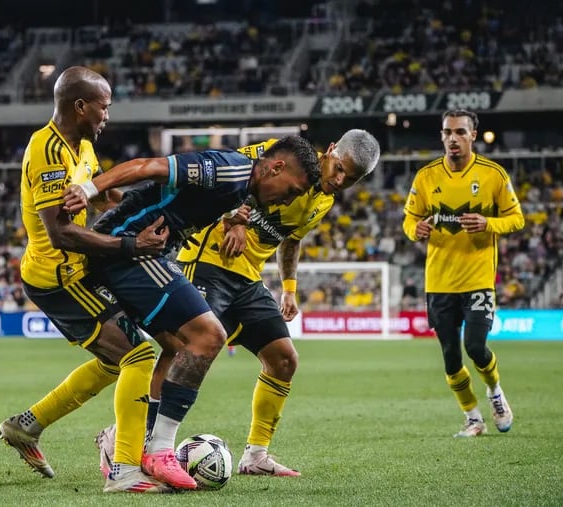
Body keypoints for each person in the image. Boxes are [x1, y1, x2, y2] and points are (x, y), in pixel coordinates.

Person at [94, 130, 381, 478]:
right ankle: (128, 438)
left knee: (284, 359)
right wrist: (236, 218)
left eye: (350, 179)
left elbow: (291, 240)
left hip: (248, 280)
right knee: (186, 348)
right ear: (331, 149)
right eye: (339, 169)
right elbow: (233, 176)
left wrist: (289, 287)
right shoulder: (280, 155)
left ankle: (256, 455)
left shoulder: (322, 201)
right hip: (207, 260)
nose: (339, 180)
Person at [64, 135, 321, 489]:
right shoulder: (228, 170)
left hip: (144, 253)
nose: (288, 200)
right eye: (291, 189)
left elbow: (164, 200)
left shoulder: (241, 191)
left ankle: (125, 441)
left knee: (173, 346)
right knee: (207, 336)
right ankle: (158, 450)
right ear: (275, 167)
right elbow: (148, 167)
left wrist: (235, 222)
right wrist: (89, 188)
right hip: (126, 254)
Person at [0, 66, 173, 494]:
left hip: (81, 269)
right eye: (104, 106)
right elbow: (61, 232)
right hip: (58, 276)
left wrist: (152, 200)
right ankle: (124, 470)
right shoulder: (46, 150)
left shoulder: (84, 147)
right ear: (80, 106)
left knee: (121, 360)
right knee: (138, 357)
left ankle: (27, 426)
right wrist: (132, 246)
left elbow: (103, 196)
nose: (108, 115)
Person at [402, 109, 524, 437]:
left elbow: (517, 218)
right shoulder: (426, 176)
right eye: (447, 133)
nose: (452, 139)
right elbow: (409, 220)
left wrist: (489, 223)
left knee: (476, 347)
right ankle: (473, 418)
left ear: (473, 135)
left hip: (478, 278)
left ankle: (495, 392)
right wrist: (417, 230)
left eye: (459, 132)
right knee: (450, 358)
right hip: (439, 281)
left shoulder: (493, 174)